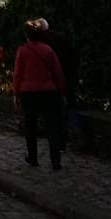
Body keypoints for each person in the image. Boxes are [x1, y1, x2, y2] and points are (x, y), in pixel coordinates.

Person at [12, 20, 66, 170]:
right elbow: (58, 72)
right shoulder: (48, 50)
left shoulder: (22, 51)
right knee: (52, 127)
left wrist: (16, 94)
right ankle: (56, 161)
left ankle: (33, 158)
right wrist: (61, 91)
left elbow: (17, 75)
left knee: (30, 126)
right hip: (48, 91)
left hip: (28, 92)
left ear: (27, 36)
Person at [37, 18, 79, 150]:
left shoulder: (40, 43)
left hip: (51, 80)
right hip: (67, 76)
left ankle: (57, 137)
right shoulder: (61, 37)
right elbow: (72, 56)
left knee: (53, 110)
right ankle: (72, 130)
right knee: (70, 103)